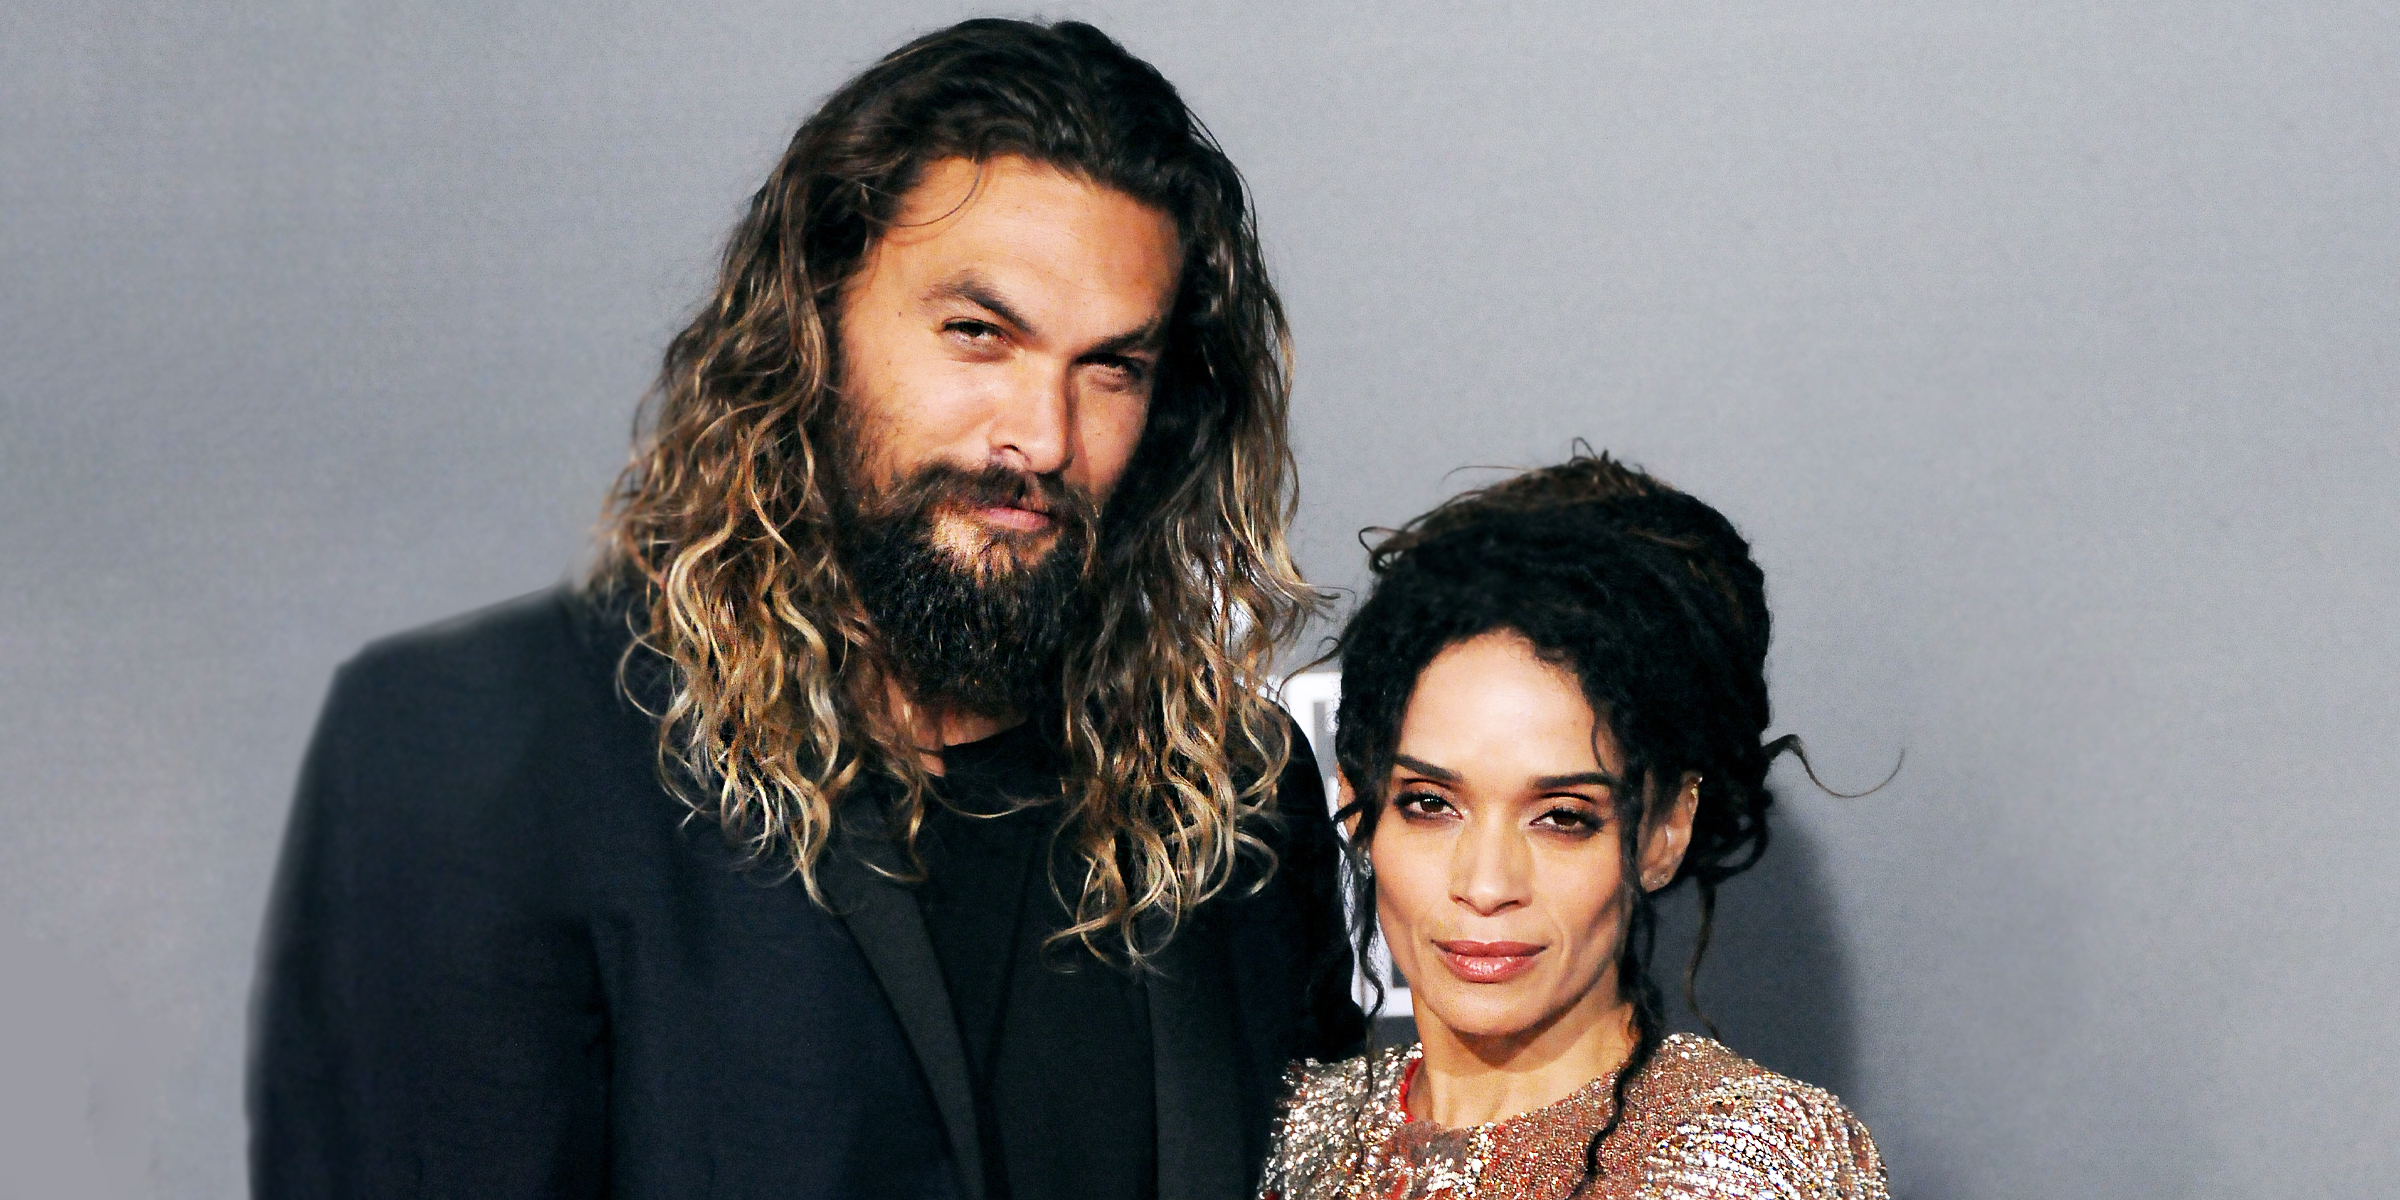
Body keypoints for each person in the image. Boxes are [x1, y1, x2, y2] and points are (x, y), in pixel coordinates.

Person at [249, 19, 1361, 1200]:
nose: (1043, 436)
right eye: (978, 335)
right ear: (813, 322)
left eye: (1112, 367)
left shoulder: (1233, 797)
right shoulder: (501, 753)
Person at [1259, 453, 1886, 1199]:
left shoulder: (1743, 1163)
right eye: (1431, 804)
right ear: (1358, 806)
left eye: (1562, 818)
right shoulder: (1291, 1135)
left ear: (1665, 829)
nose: (1486, 884)